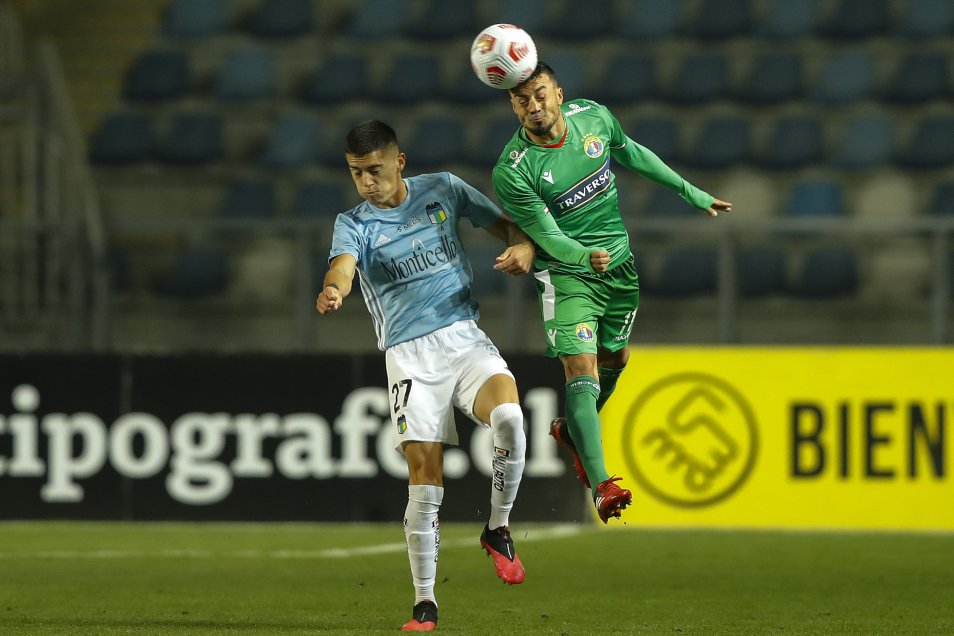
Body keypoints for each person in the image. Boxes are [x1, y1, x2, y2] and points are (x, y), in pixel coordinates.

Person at [316, 120, 536, 632]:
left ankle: (497, 528)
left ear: (400, 161)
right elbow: (342, 266)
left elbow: (503, 223)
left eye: (374, 169)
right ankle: (425, 603)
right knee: (425, 477)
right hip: (410, 357)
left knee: (509, 416)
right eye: (356, 173)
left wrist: (523, 245)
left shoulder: (444, 188)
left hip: (463, 338)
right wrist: (334, 288)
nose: (367, 181)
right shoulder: (354, 223)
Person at [491, 62, 733, 524]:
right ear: (512, 105)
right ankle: (603, 485)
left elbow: (635, 154)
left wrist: (692, 193)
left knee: (615, 362)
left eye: (541, 95)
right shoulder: (513, 169)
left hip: (620, 268)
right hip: (568, 275)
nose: (533, 106)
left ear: (559, 93)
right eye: (522, 100)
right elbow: (545, 235)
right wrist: (583, 257)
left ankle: (569, 430)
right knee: (580, 368)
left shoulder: (595, 118)